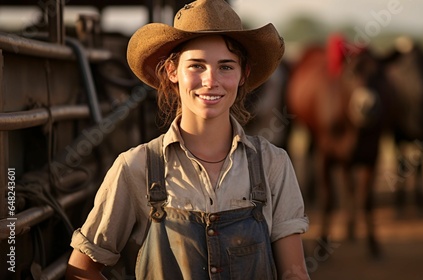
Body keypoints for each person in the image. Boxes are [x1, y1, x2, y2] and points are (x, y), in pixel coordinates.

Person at [66, 0, 309, 279]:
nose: (210, 81)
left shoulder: (273, 164)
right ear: (172, 72)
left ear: (244, 75)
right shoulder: (135, 167)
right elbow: (81, 270)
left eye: (226, 67)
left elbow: (294, 273)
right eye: (196, 65)